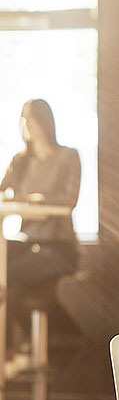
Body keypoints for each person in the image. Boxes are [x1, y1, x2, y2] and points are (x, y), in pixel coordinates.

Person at [1, 99, 81, 353]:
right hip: (27, 242)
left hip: (58, 247)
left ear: (44, 121)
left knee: (8, 277)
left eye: (30, 118)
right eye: (22, 119)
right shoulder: (20, 161)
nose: (25, 125)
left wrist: (33, 200)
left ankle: (25, 345)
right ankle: (17, 347)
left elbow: (69, 200)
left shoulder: (68, 156)